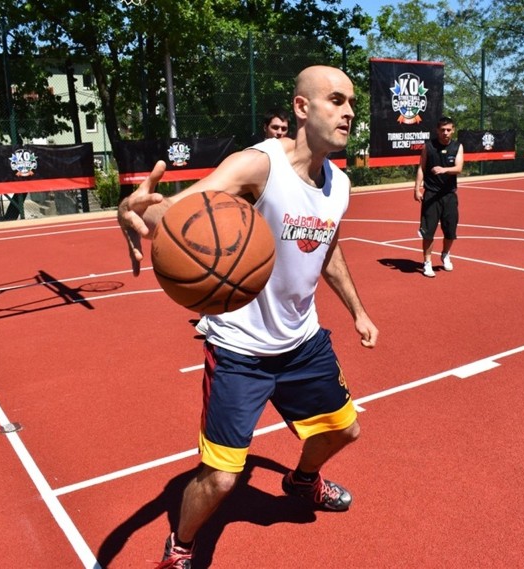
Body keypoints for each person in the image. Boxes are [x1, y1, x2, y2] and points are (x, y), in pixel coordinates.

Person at [118, 65, 379, 569]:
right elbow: (181, 211)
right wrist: (138, 211)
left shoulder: (340, 185)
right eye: (337, 100)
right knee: (220, 477)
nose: (349, 112)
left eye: (352, 104)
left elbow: (327, 249)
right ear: (302, 108)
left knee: (344, 431)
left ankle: (302, 480)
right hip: (240, 349)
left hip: (302, 342)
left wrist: (358, 311)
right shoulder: (259, 165)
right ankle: (181, 546)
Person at [195, 106, 292, 336]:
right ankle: (214, 316)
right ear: (265, 129)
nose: (279, 132)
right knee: (238, 277)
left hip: (274, 231)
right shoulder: (251, 159)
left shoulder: (289, 161)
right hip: (246, 231)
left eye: (284, 129)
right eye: (275, 127)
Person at [412, 116, 464, 277]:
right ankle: (427, 262)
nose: (445, 133)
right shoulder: (429, 146)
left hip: (449, 195)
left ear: (453, 130)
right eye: (442, 130)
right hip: (431, 195)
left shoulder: (457, 147)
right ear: (437, 131)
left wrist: (444, 169)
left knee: (450, 231)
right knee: (428, 232)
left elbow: (459, 168)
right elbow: (421, 167)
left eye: (448, 130)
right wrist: (416, 188)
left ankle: (445, 254)